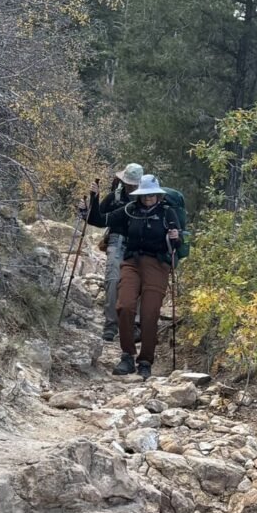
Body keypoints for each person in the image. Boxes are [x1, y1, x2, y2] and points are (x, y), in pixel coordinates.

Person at [87, 174, 180, 378]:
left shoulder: (168, 212)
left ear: (157, 195)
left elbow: (176, 244)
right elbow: (99, 220)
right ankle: (127, 356)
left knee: (150, 312)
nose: (148, 199)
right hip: (131, 263)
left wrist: (175, 238)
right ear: (139, 196)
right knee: (124, 306)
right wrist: (94, 199)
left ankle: (145, 361)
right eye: (144, 196)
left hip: (157, 265)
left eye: (151, 196)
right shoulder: (130, 210)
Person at [88, 162, 144, 341]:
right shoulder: (114, 197)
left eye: (134, 183)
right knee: (112, 281)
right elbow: (96, 219)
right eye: (128, 182)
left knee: (139, 285)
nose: (131, 186)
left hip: (139, 246)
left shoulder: (147, 199)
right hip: (116, 241)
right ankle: (111, 325)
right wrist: (94, 198)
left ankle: (133, 325)